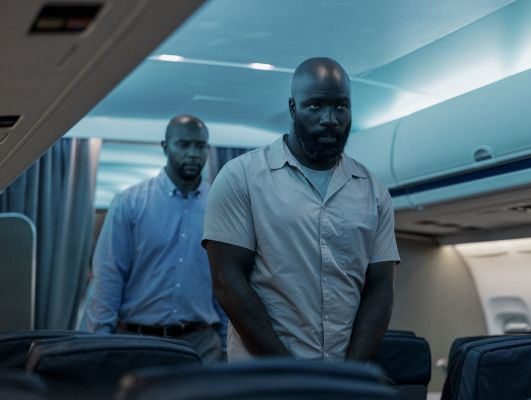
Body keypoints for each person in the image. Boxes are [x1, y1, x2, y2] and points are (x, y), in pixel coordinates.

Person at [203, 57, 400, 361]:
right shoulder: (241, 176)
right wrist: (291, 372)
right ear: (293, 108)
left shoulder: (373, 190)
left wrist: (350, 372)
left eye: (341, 106)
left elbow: (380, 289)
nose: (330, 119)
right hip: (265, 374)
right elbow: (228, 283)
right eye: (315, 105)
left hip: (342, 374)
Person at [85, 115, 227, 362]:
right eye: (183, 145)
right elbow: (109, 277)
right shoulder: (129, 203)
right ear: (165, 147)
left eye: (200, 146)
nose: (193, 154)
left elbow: (226, 281)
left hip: (202, 345)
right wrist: (100, 344)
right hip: (137, 341)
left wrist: (228, 345)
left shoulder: (222, 206)